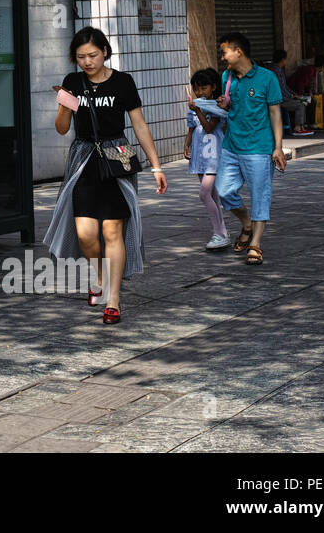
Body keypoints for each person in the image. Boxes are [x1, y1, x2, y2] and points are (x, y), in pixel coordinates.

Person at [46, 27, 167, 325]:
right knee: (87, 235)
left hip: (117, 155)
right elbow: (62, 128)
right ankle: (98, 275)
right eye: (80, 57)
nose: (87, 62)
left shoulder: (123, 82)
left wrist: (156, 166)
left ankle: (113, 299)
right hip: (83, 158)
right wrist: (65, 102)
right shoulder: (73, 82)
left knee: (113, 230)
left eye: (92, 55)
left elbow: (139, 125)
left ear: (105, 52)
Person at [214, 32, 286, 265]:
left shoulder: (267, 78)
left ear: (239, 52)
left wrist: (278, 148)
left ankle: (255, 243)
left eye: (224, 52)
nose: (222, 57)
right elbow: (230, 106)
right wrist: (225, 103)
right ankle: (246, 223)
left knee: (260, 196)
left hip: (259, 148)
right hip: (231, 146)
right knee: (224, 190)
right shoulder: (227, 76)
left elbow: (275, 114)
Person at [185, 68, 229, 250]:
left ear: (213, 87)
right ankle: (222, 233)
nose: (199, 92)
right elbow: (191, 129)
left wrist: (199, 110)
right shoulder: (194, 108)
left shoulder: (217, 107)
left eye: (203, 88)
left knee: (204, 194)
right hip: (199, 156)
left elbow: (209, 127)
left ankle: (218, 233)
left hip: (214, 157)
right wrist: (186, 145)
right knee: (212, 196)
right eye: (196, 89)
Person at [271, 49, 311, 136]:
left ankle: (302, 126)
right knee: (300, 105)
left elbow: (285, 87)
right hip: (280, 100)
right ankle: (298, 128)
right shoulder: (276, 71)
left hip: (282, 97)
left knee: (302, 102)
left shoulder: (278, 70)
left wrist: (294, 95)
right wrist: (292, 96)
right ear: (282, 59)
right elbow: (281, 89)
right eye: (286, 59)